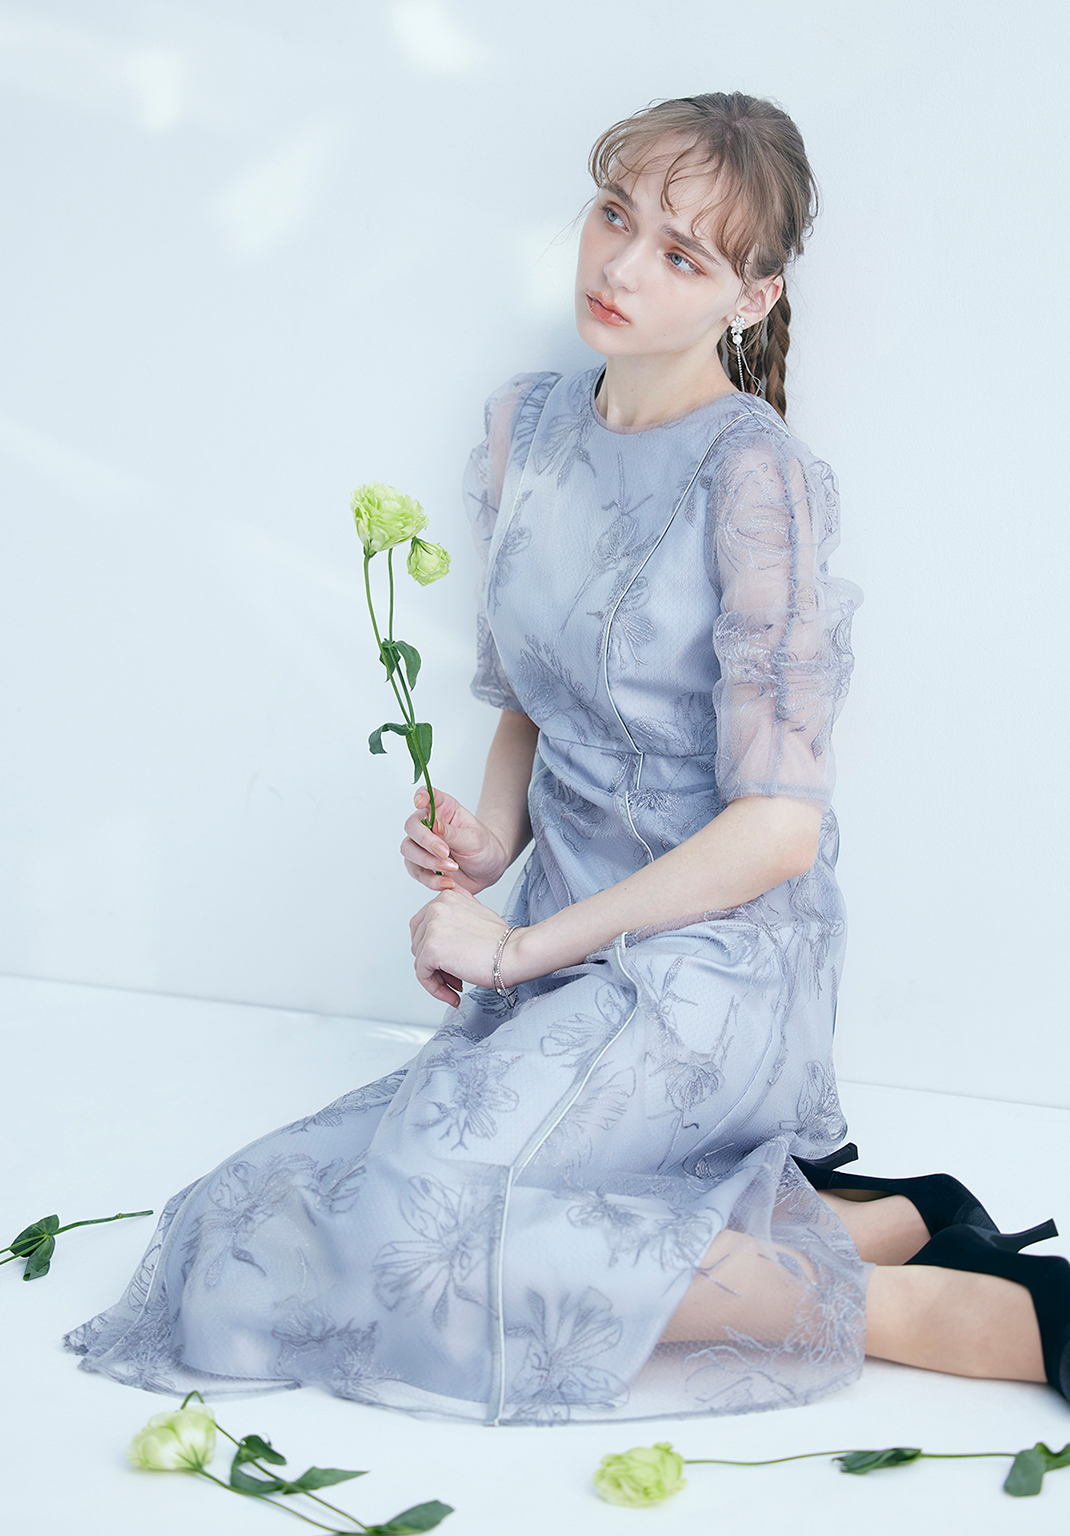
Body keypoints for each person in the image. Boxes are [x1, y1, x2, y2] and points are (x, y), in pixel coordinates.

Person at [66, 92, 1067, 1423]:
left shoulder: (753, 477)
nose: (619, 266)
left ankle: (959, 1308)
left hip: (713, 966)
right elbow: (538, 698)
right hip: (560, 938)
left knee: (425, 1229)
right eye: (614, 215)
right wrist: (490, 841)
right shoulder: (526, 428)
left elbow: (776, 830)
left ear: (752, 297)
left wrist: (515, 950)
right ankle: (876, 1218)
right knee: (252, 1221)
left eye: (680, 254)